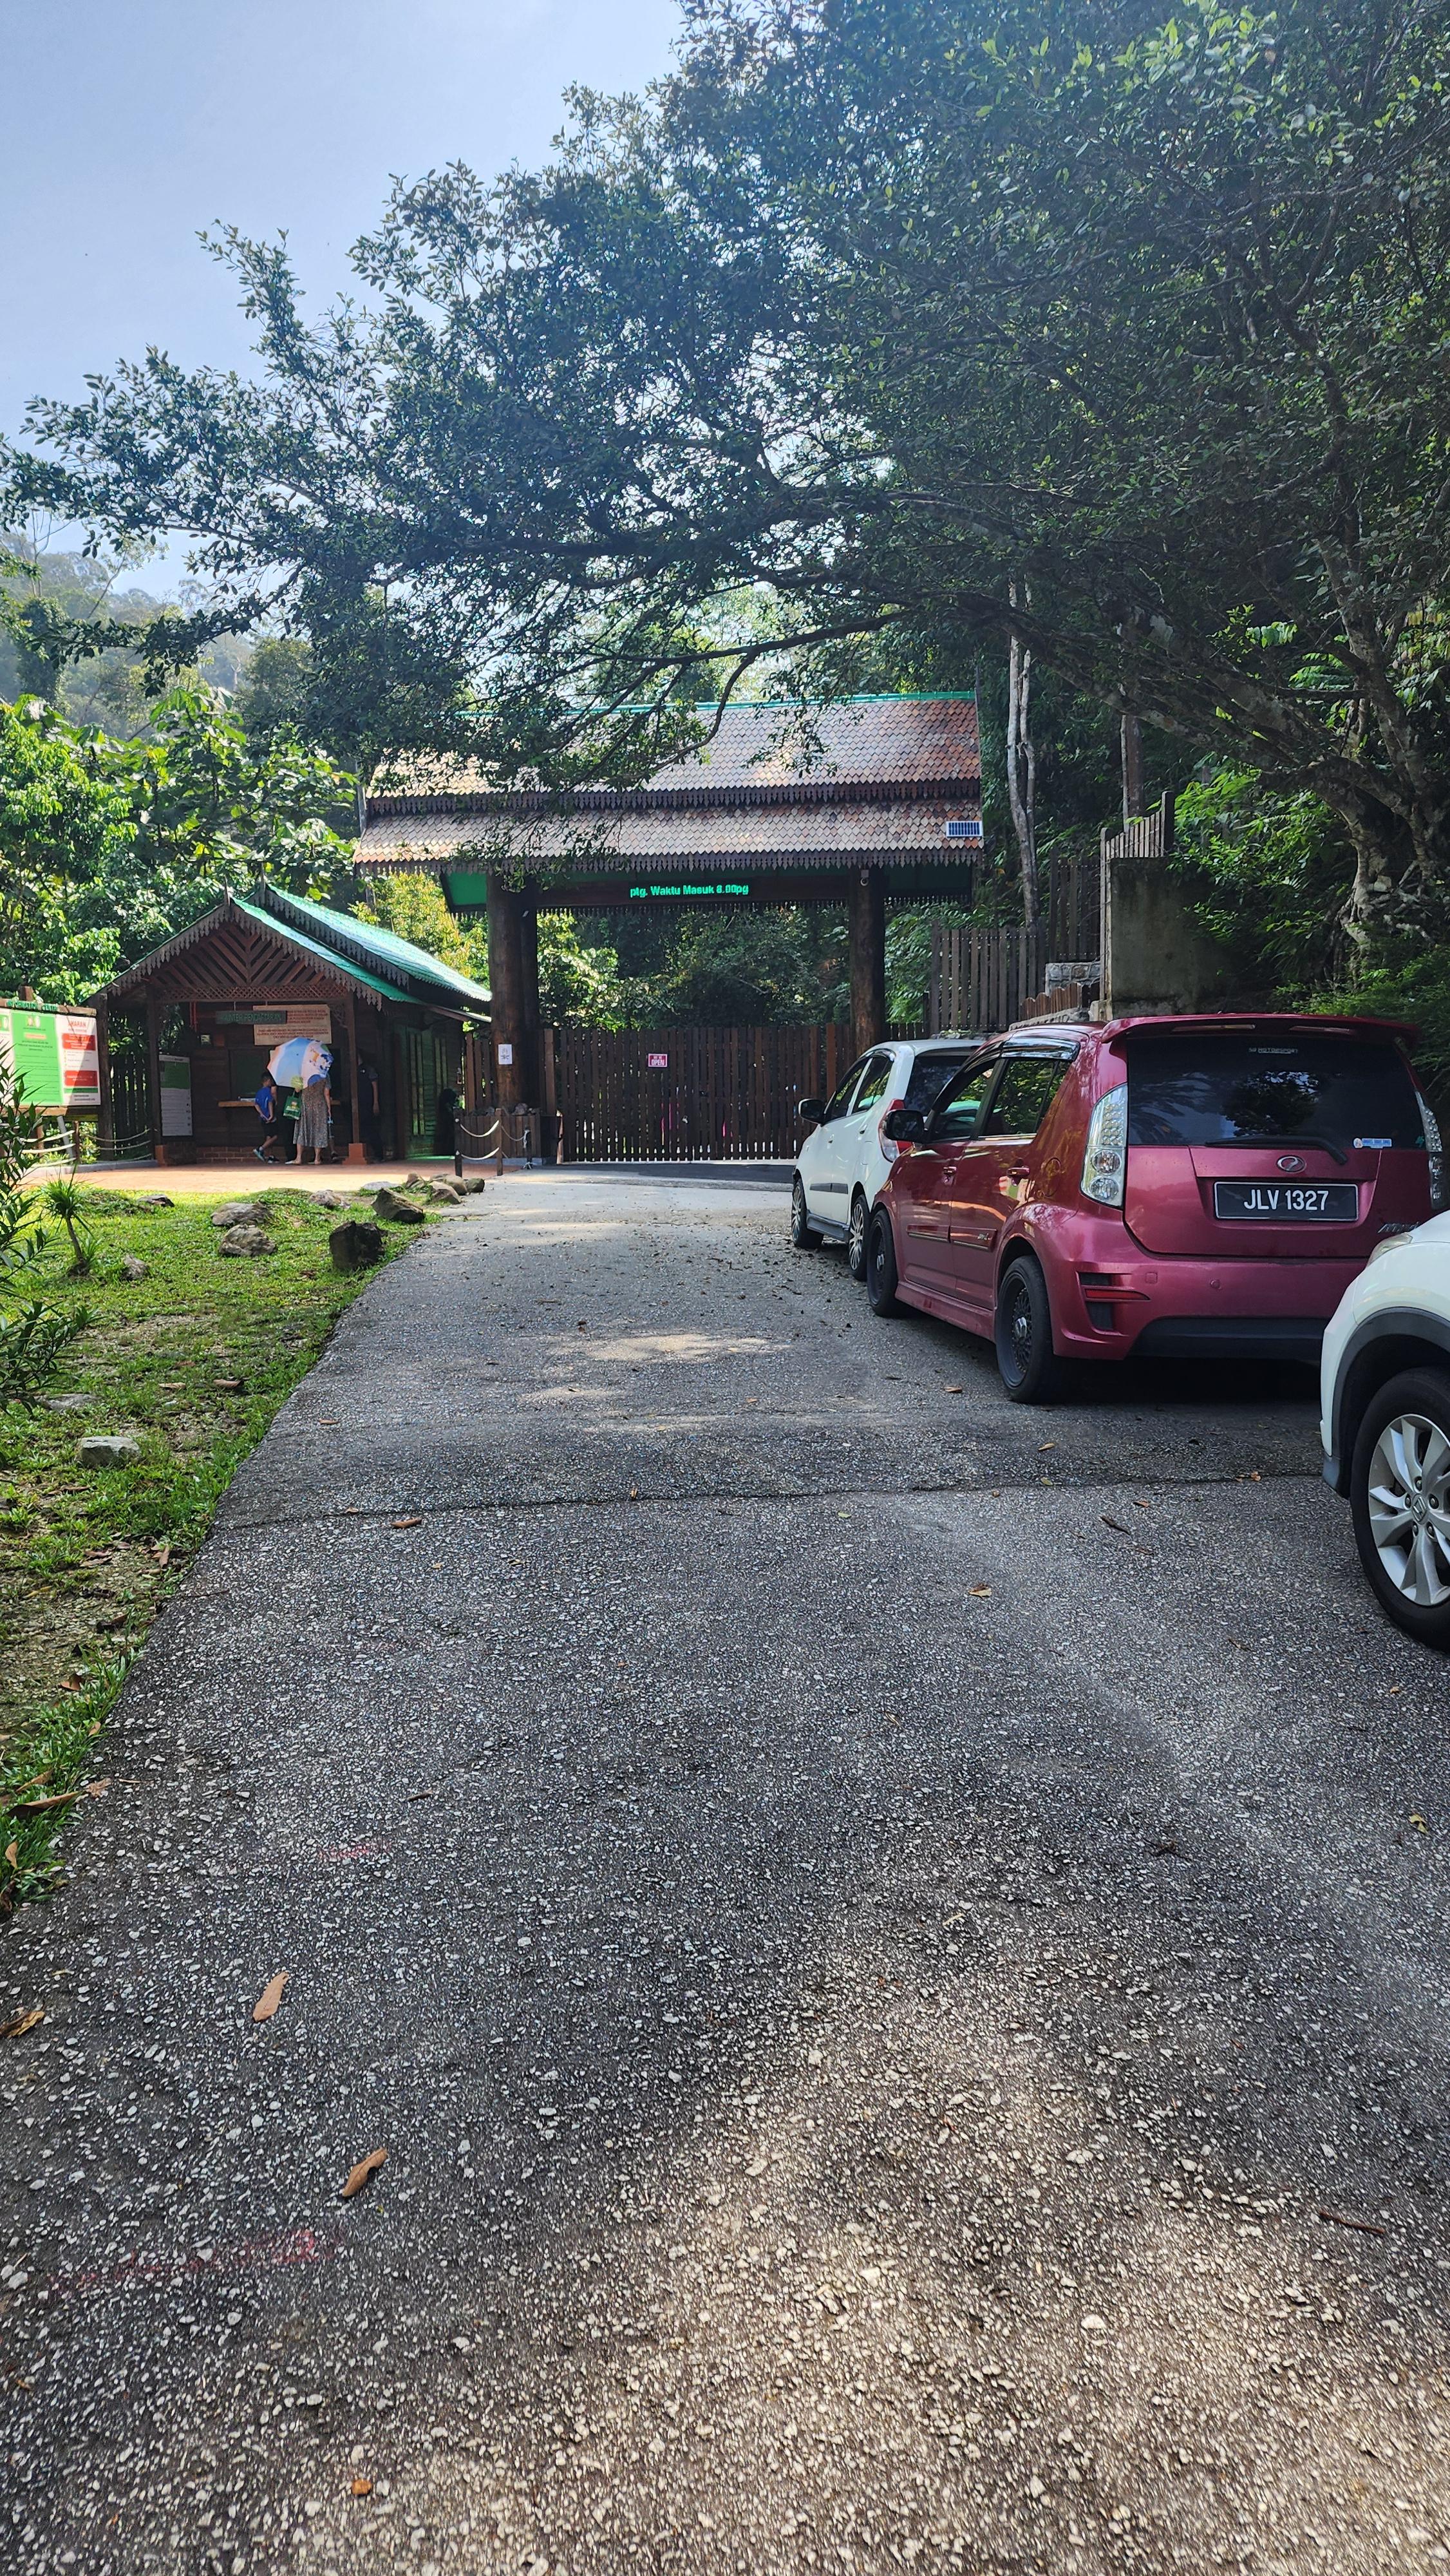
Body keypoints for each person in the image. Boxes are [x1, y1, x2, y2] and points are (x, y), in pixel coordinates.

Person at [297, 1071, 333, 1165]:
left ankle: (299, 1158)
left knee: (302, 1129)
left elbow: (297, 1090)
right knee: (319, 1130)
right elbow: (327, 1094)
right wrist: (329, 1108)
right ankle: (317, 1159)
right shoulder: (325, 1074)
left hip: (306, 1105)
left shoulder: (302, 1073)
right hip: (320, 1104)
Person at [252, 1072, 283, 1162]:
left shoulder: (259, 1092)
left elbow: (256, 1105)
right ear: (268, 1081)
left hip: (262, 1118)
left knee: (269, 1136)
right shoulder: (268, 1091)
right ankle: (261, 1149)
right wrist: (271, 1115)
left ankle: (271, 1156)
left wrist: (261, 1114)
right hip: (270, 1118)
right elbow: (270, 1102)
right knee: (275, 1136)